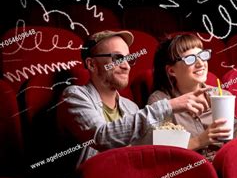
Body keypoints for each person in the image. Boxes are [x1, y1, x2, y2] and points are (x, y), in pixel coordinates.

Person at [57, 30, 210, 166]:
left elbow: (150, 149)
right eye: (117, 58)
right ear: (91, 64)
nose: (126, 66)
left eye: (128, 59)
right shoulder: (74, 95)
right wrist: (168, 106)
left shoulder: (131, 107)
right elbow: (101, 137)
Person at [147, 34, 237, 161]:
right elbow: (161, 149)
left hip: (223, 165)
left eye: (202, 55)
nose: (200, 64)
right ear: (172, 71)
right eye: (190, 59)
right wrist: (200, 140)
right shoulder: (161, 101)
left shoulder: (220, 95)